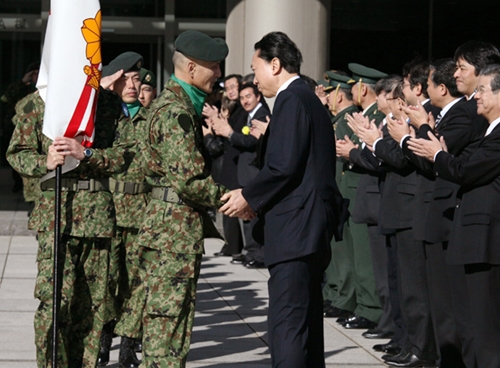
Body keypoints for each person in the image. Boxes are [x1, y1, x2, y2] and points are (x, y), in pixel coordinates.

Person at [220, 31, 343, 368]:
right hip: (306, 231)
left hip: (295, 233)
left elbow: (283, 165)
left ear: (275, 64)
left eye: (255, 68)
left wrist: (248, 196)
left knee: (287, 327)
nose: (254, 78)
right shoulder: (304, 98)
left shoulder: (292, 99)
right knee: (303, 327)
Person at [7, 73, 134, 367]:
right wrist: (45, 162)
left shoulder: (107, 104)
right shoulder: (39, 102)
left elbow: (128, 154)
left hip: (97, 219)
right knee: (54, 305)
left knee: (91, 308)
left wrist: (87, 153)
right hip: (56, 218)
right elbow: (17, 153)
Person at [135, 30, 229, 367]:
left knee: (166, 322)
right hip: (173, 234)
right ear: (191, 68)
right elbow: (189, 180)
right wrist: (233, 200)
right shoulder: (177, 112)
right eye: (213, 67)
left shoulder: (174, 104)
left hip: (167, 230)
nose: (218, 74)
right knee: (169, 328)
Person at [407, 63, 500, 368]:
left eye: (483, 90)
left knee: (484, 330)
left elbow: (466, 170)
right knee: (470, 324)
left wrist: (437, 154)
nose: (477, 97)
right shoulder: (489, 131)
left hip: (486, 240)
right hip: (473, 238)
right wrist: (442, 153)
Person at [96, 52, 149, 368]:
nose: (135, 83)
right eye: (127, 77)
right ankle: (102, 341)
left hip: (139, 213)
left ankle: (128, 346)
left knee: (137, 284)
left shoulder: (148, 116)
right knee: (105, 283)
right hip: (108, 212)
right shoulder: (101, 114)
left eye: (137, 78)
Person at [210, 82, 271, 268]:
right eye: (242, 97)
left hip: (254, 173)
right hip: (244, 173)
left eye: (248, 97)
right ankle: (251, 252)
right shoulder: (249, 114)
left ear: (258, 97)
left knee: (256, 218)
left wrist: (229, 133)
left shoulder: (262, 115)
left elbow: (252, 142)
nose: (244, 101)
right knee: (247, 216)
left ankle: (259, 254)